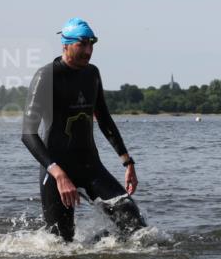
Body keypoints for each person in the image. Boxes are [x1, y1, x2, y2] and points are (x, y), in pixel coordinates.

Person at [22, 18, 145, 242]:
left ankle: (102, 256)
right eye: (82, 44)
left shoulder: (92, 74)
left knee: (134, 223)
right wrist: (58, 174)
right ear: (66, 45)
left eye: (92, 44)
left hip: (90, 166)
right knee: (61, 244)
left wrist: (127, 162)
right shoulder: (47, 77)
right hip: (56, 170)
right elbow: (28, 134)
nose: (88, 50)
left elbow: (104, 119)